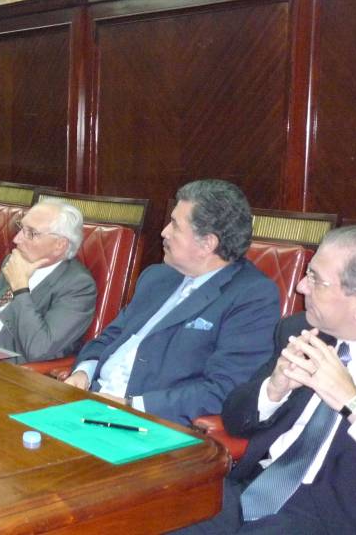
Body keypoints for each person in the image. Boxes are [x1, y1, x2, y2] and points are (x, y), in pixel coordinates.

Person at [179, 226, 356, 534]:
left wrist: (353, 404)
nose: (301, 287)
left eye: (316, 279)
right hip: (254, 489)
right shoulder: (302, 329)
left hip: (338, 516)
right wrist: (272, 390)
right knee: (150, 514)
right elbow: (235, 421)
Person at [64, 179, 279, 425]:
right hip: (92, 404)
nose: (164, 232)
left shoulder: (251, 296)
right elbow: (109, 337)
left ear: (207, 243)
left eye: (175, 225)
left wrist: (133, 406)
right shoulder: (157, 277)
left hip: (149, 423)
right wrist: (84, 371)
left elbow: (225, 388)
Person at [0, 200, 95, 364]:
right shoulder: (14, 261)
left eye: (31, 233)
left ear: (60, 245)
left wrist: (20, 288)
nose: (16, 239)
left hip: (4, 365)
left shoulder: (78, 285)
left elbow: (39, 348)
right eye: (21, 228)